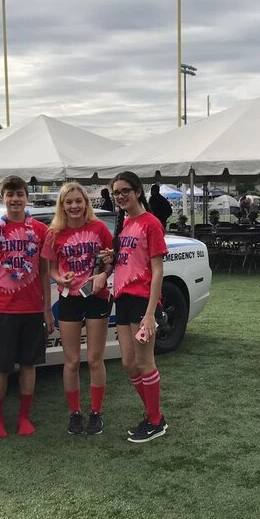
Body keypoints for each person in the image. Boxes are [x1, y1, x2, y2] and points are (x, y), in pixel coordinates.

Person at [0, 175, 54, 438]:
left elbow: (45, 273)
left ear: (27, 197)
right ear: (2, 198)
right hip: (2, 309)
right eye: (10, 195)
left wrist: (47, 309)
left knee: (28, 365)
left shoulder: (40, 231)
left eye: (20, 194)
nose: (15, 199)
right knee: (0, 367)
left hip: (32, 308)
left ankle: (24, 417)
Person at [43, 182, 114, 436]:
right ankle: (75, 413)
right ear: (62, 205)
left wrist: (104, 273)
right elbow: (50, 268)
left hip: (96, 296)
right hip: (69, 299)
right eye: (68, 202)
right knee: (71, 360)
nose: (74, 206)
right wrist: (59, 278)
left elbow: (110, 260)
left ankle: (96, 413)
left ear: (86, 203)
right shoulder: (53, 233)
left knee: (95, 358)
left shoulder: (99, 228)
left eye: (78, 201)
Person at [106, 171, 169, 444]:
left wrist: (150, 312)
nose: (120, 196)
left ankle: (155, 421)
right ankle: (154, 415)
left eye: (125, 191)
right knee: (129, 364)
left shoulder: (150, 223)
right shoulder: (125, 223)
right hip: (122, 299)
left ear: (138, 191)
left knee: (144, 362)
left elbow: (157, 270)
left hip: (143, 299)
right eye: (116, 193)